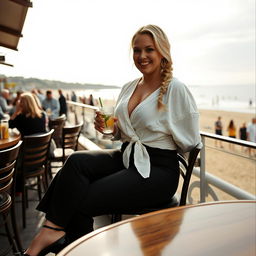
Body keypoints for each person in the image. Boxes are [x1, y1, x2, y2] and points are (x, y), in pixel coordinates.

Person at [22, 25, 201, 256]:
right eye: (137, 50)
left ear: (162, 52)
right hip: (128, 156)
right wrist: (111, 129)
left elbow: (191, 140)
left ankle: (66, 244)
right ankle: (53, 230)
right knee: (76, 161)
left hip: (158, 170)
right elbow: (124, 132)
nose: (142, 56)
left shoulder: (175, 89)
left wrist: (162, 139)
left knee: (82, 199)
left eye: (149, 50)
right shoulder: (129, 87)